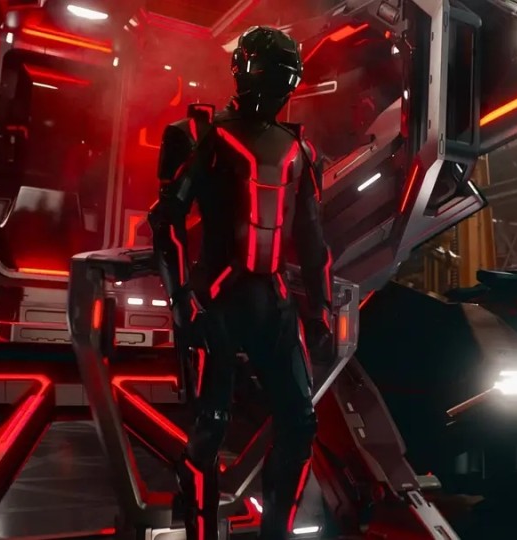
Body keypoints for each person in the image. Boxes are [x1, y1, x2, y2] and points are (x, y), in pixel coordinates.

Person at [148, 26, 335, 540]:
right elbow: (166, 223)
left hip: (270, 301)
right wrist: (183, 301)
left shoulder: (299, 149)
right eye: (272, 74)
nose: (278, 87)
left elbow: (312, 238)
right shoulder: (200, 134)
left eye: (285, 77)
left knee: (300, 423)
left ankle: (276, 532)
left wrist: (321, 309)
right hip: (217, 297)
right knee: (211, 428)